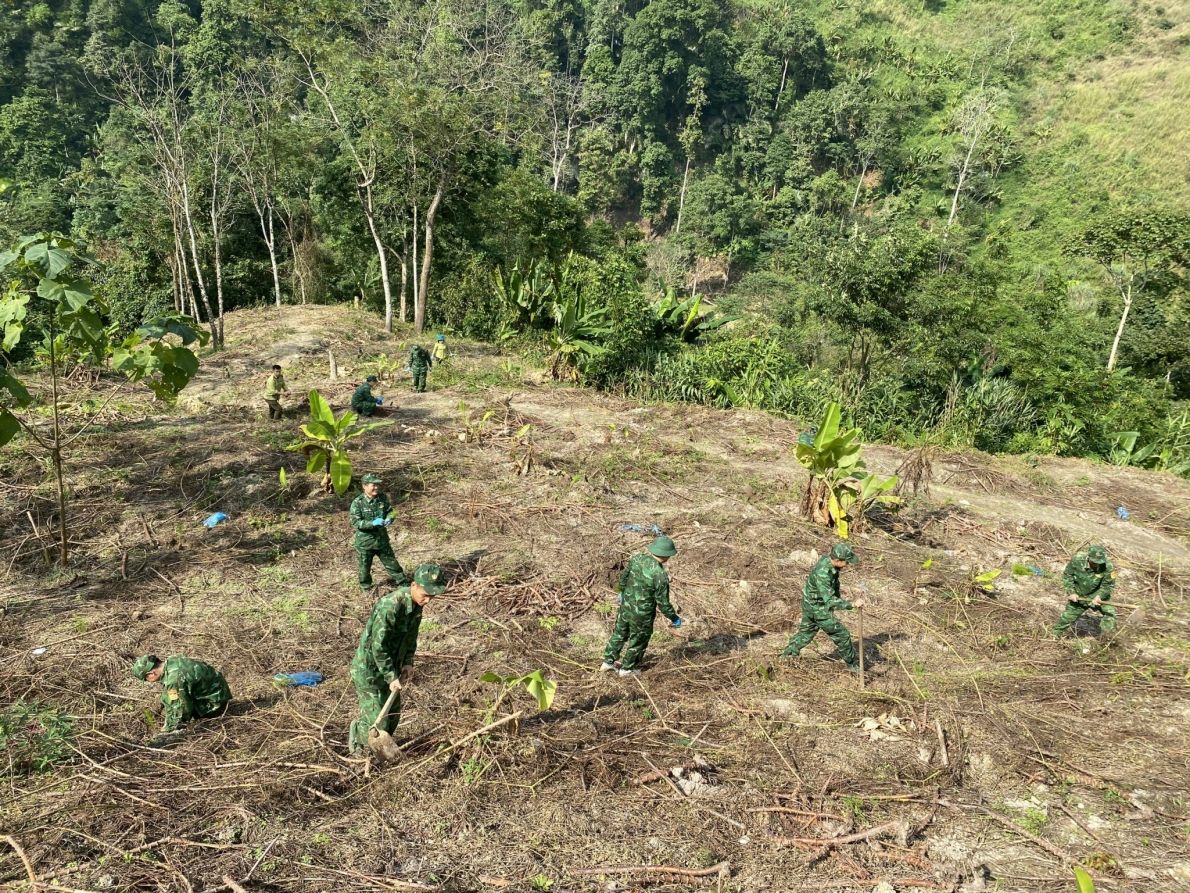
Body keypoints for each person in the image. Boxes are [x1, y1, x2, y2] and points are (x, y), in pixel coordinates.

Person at [348, 563, 448, 753]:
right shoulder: (390, 607)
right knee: (377, 720)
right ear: (413, 585)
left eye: (432, 596)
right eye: (425, 595)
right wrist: (390, 676)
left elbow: (411, 637)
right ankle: (359, 744)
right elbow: (378, 646)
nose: (427, 600)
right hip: (370, 670)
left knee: (392, 716)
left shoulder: (416, 605)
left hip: (391, 667)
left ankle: (380, 748)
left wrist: (408, 662)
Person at [600, 536, 682, 677]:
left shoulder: (637, 558)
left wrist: (621, 591)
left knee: (619, 633)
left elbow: (624, 578)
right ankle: (627, 668)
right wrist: (674, 618)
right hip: (642, 614)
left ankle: (608, 662)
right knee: (638, 640)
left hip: (626, 606)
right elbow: (663, 603)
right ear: (667, 555)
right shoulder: (660, 575)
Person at [781, 543, 865, 672]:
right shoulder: (823, 573)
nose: (847, 564)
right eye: (846, 562)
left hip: (810, 604)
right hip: (818, 609)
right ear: (837, 560)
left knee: (806, 633)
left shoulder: (829, 562)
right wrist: (851, 604)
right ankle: (852, 666)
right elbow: (830, 601)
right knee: (842, 635)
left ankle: (786, 656)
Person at [130, 654, 231, 732]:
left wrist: (168, 729)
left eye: (147, 679)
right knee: (168, 696)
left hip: (214, 703)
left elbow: (181, 708)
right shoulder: (173, 660)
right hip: (219, 691)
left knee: (172, 703)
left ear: (151, 673)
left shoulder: (174, 680)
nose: (150, 682)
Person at [350, 472, 408, 591]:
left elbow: (390, 511)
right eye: (373, 485)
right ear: (364, 486)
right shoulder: (358, 503)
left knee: (392, 563)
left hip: (382, 540)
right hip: (365, 542)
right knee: (364, 568)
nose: (376, 487)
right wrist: (372, 523)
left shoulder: (382, 498)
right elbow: (356, 523)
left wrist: (390, 518)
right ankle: (366, 588)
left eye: (377, 485)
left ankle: (403, 583)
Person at [1053, 545, 1117, 636]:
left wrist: (1100, 595)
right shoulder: (1077, 560)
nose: (1097, 564)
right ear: (1088, 557)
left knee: (1110, 618)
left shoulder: (1109, 566)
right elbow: (1068, 576)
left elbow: (1108, 585)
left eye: (1099, 562)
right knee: (1066, 619)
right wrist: (1071, 592)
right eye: (1094, 562)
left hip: (1099, 596)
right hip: (1080, 596)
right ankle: (1054, 636)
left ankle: (1106, 640)